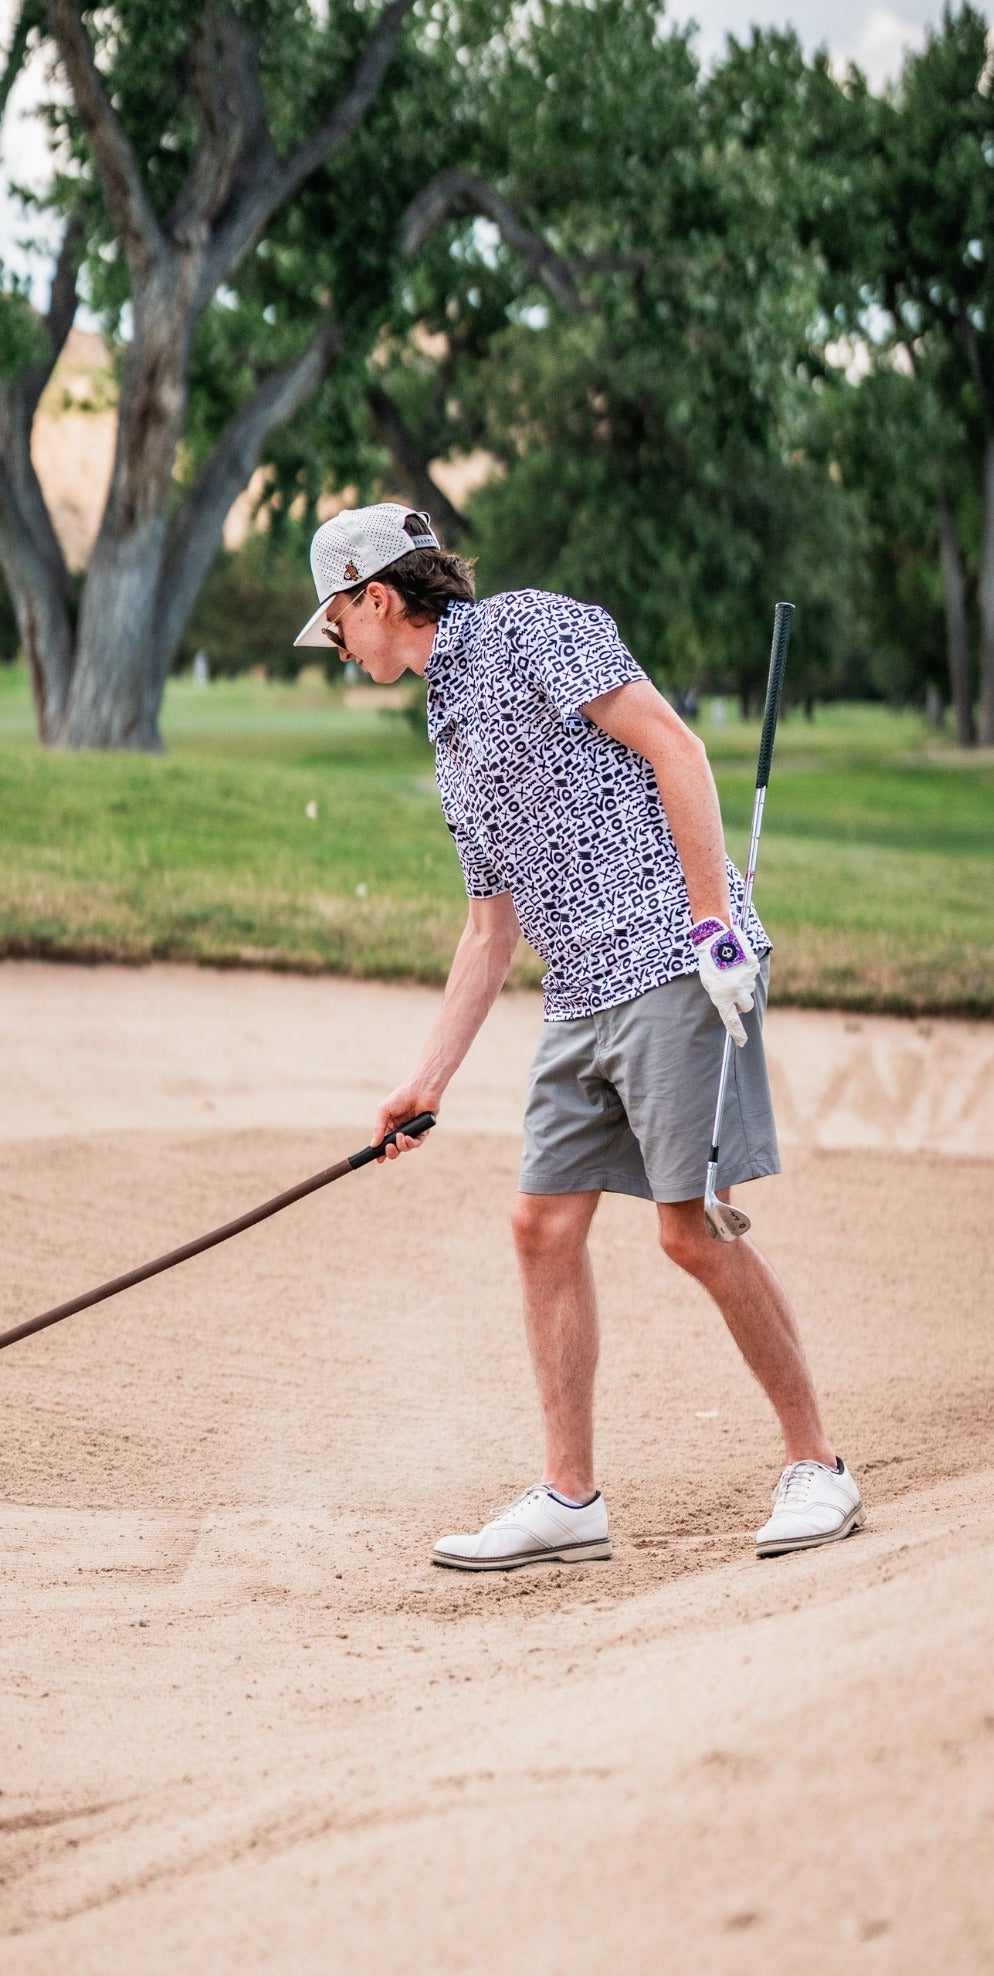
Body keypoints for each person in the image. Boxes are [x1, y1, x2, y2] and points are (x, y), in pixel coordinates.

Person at [292, 504, 863, 1569]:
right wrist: (424, 1083)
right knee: (540, 1226)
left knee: (691, 1229)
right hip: (580, 993)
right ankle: (569, 1497)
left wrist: (713, 926)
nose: (335, 645)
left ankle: (817, 1466)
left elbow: (675, 746)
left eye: (334, 622)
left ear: (377, 596)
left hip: (672, 957)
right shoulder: (445, 721)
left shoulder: (527, 628)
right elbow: (489, 928)